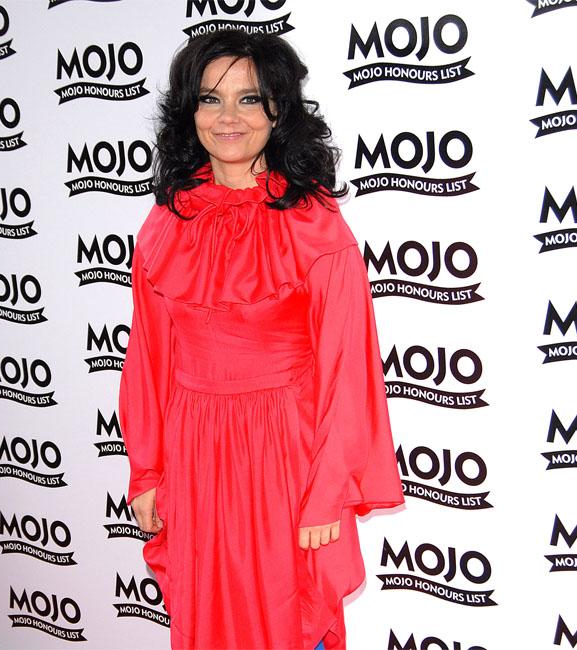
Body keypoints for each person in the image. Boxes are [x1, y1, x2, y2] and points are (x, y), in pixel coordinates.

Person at [118, 29, 404, 650]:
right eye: (210, 99)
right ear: (188, 111)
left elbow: (348, 369)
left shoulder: (313, 222)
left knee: (288, 615)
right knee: (207, 613)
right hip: (195, 456)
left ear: (278, 111)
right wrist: (147, 472)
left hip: (285, 458)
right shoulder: (166, 220)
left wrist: (327, 492)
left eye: (249, 99)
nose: (228, 118)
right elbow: (148, 359)